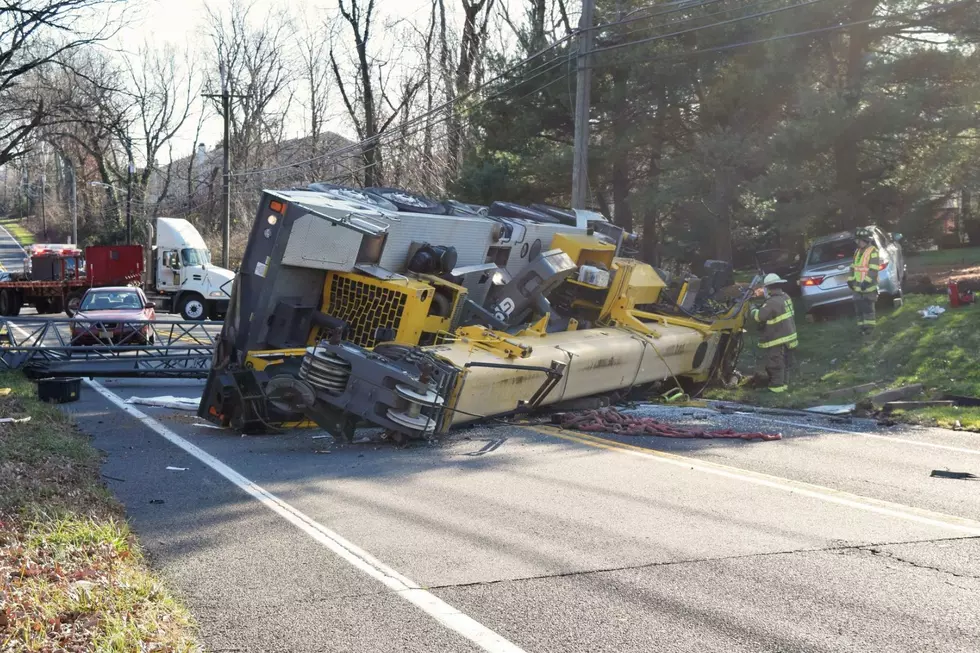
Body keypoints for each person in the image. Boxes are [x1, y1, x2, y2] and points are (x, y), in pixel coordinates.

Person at [750, 273, 798, 393]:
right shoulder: (785, 296)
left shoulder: (772, 302)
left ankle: (776, 389)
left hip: (778, 339)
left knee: (775, 365)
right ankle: (784, 386)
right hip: (789, 337)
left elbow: (759, 317)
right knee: (786, 364)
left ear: (768, 288)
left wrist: (752, 309)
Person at [848, 227, 879, 335]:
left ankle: (869, 329)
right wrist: (850, 280)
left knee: (868, 309)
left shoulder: (873, 251)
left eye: (859, 240)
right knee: (859, 309)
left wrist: (866, 282)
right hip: (857, 287)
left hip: (868, 287)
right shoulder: (857, 251)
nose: (857, 242)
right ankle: (862, 328)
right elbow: (853, 267)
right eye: (856, 240)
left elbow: (873, 269)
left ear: (866, 240)